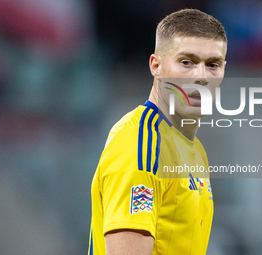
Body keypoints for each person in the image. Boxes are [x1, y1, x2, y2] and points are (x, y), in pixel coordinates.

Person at [88, 8, 227, 255]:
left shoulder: (194, 149)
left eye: (213, 64)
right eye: (187, 62)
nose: (202, 77)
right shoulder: (140, 146)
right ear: (156, 65)